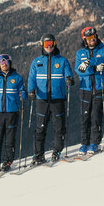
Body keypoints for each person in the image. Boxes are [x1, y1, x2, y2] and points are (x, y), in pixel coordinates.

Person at [27, 34, 74, 164]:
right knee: (40, 128)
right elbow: (31, 78)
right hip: (41, 99)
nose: (48, 46)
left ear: (55, 44)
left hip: (57, 99)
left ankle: (57, 150)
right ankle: (39, 154)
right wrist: (31, 91)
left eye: (51, 43)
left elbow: (68, 74)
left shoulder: (62, 61)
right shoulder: (36, 62)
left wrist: (69, 79)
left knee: (59, 127)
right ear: (42, 45)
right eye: (46, 44)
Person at [74, 26, 104, 155]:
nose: (92, 40)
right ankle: (84, 143)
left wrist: (88, 63)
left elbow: (103, 60)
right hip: (85, 88)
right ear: (84, 39)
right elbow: (79, 70)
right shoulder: (79, 53)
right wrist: (94, 69)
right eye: (89, 38)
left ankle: (94, 142)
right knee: (85, 117)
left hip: (100, 86)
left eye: (94, 37)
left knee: (96, 116)